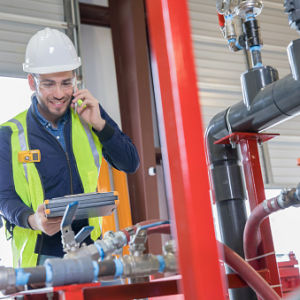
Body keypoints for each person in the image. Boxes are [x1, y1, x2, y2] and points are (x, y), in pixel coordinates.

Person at [0, 28, 140, 268]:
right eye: (48, 84)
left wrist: (100, 125)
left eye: (66, 83)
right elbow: (4, 197)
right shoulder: (9, 134)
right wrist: (33, 220)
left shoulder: (90, 114)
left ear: (75, 78)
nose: (59, 93)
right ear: (32, 82)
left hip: (91, 250)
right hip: (39, 257)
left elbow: (130, 162)